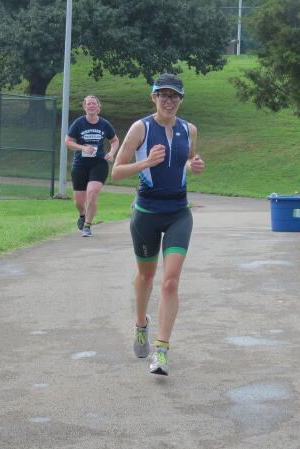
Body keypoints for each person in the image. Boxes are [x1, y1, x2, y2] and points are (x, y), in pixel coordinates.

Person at [111, 73, 205, 376]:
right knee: (146, 276)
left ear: (181, 99)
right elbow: (117, 172)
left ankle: (161, 352)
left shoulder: (189, 130)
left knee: (170, 281)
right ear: (153, 97)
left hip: (178, 211)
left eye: (174, 95)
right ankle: (141, 324)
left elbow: (188, 160)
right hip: (146, 213)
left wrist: (194, 165)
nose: (168, 100)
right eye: (163, 95)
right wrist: (145, 163)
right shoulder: (141, 128)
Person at [65, 95, 120, 237]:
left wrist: (112, 153)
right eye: (88, 104)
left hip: (99, 163)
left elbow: (114, 140)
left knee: (92, 192)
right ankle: (82, 215)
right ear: (84, 107)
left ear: (98, 107)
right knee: (79, 201)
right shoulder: (78, 123)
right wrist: (82, 148)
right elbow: (68, 141)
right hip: (80, 164)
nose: (91, 106)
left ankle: (88, 225)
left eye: (94, 103)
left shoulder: (104, 124)